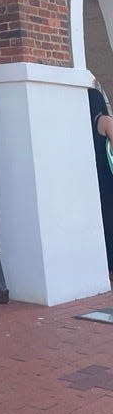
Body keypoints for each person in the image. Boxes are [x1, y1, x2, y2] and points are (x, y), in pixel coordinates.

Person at [88, 81, 113, 276]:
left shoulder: (82, 124)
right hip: (108, 176)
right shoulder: (105, 121)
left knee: (104, 220)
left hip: (92, 178)